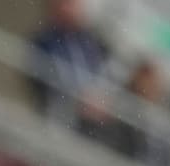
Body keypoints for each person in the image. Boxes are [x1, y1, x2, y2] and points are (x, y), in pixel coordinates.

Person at [27, 0, 110, 134]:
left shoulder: (90, 41)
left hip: (94, 119)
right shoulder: (45, 41)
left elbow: (104, 74)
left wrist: (100, 97)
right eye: (66, 3)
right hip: (61, 116)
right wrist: (80, 98)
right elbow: (47, 78)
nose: (72, 9)